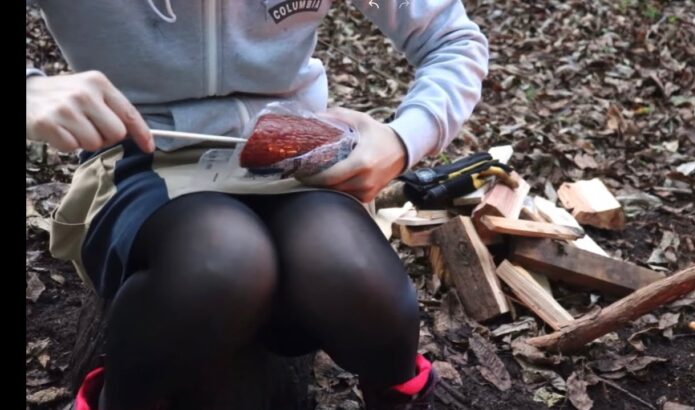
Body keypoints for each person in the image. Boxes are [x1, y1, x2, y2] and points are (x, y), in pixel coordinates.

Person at [26, 1, 488, 408]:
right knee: (221, 261)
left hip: (294, 148)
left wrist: (402, 139)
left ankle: (397, 396)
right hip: (140, 150)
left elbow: (450, 37)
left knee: (353, 275)